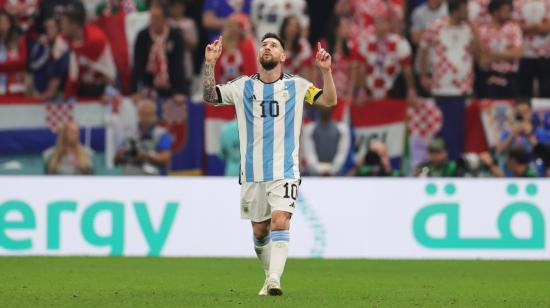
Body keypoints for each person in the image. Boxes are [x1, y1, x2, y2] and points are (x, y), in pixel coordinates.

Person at [203, 32, 336, 295]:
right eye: (264, 44)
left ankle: (275, 278)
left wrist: (326, 71)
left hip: (285, 170)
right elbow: (210, 96)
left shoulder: (298, 86)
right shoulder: (242, 86)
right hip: (252, 172)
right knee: (260, 231)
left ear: (283, 56)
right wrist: (210, 63)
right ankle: (268, 276)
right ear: (258, 54)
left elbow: (329, 101)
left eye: (274, 45)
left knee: (280, 220)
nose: (268, 47)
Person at [418, 0, 479, 160]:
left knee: (459, 132)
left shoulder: (468, 29)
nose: (467, 13)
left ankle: (456, 163)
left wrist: (476, 32)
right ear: (456, 10)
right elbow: (423, 49)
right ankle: (438, 163)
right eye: (465, 9)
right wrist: (424, 75)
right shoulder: (436, 27)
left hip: (463, 88)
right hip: (441, 87)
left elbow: (479, 53)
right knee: (442, 130)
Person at [132, 2, 188, 105]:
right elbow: (137, 65)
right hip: (148, 87)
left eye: (157, 17)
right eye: (151, 17)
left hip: (171, 86)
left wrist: (180, 91)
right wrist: (136, 91)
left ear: (165, 19)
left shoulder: (175, 36)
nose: (153, 21)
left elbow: (179, 65)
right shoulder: (142, 36)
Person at [60, 2, 117, 98]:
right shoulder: (65, 39)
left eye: (64, 23)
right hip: (81, 90)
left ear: (74, 25)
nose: (61, 27)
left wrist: (109, 92)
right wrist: (68, 96)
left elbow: (111, 73)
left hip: (100, 91)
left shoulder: (97, 41)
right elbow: (72, 74)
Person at [114, 98, 173, 175]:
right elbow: (116, 160)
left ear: (154, 114)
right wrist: (126, 154)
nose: (146, 116)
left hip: (152, 178)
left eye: (149, 113)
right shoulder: (128, 133)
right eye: (143, 113)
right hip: (130, 178)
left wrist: (146, 156)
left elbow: (165, 158)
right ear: (138, 114)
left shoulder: (162, 133)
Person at [478, 0, 523, 99]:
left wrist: (493, 55)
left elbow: (517, 53)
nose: (508, 14)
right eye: (505, 10)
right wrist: (507, 55)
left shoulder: (514, 28)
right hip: (488, 78)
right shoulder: (483, 31)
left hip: (509, 78)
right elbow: (482, 60)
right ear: (495, 12)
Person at [514, 0, 550, 98]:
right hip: (524, 53)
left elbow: (546, 29)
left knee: (546, 91)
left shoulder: (547, 3)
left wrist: (527, 28)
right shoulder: (518, 3)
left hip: (546, 54)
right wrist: (538, 26)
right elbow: (516, 28)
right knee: (524, 92)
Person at [301, 105, 350, 176]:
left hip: (336, 174)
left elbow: (342, 152)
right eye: (322, 106)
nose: (325, 108)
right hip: (314, 174)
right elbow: (309, 152)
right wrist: (319, 170)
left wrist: (333, 170)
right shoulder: (309, 129)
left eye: (327, 106)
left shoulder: (342, 129)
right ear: (318, 108)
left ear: (332, 108)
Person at [30, 17, 70, 101]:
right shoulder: (41, 44)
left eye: (52, 27)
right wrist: (45, 48)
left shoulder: (63, 45)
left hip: (58, 92)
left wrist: (51, 90)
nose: (49, 30)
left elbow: (61, 68)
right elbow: (33, 65)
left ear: (58, 29)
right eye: (47, 28)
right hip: (40, 90)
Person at [169, 0, 198, 82]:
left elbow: (194, 46)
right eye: (174, 7)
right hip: (170, 63)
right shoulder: (167, 23)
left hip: (185, 61)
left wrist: (181, 37)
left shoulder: (189, 23)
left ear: (183, 7)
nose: (176, 9)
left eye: (178, 7)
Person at [0, 10, 26, 96]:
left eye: (5, 22)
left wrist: (2, 66)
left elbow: (21, 62)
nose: (2, 25)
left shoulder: (19, 41)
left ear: (10, 24)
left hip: (15, 88)